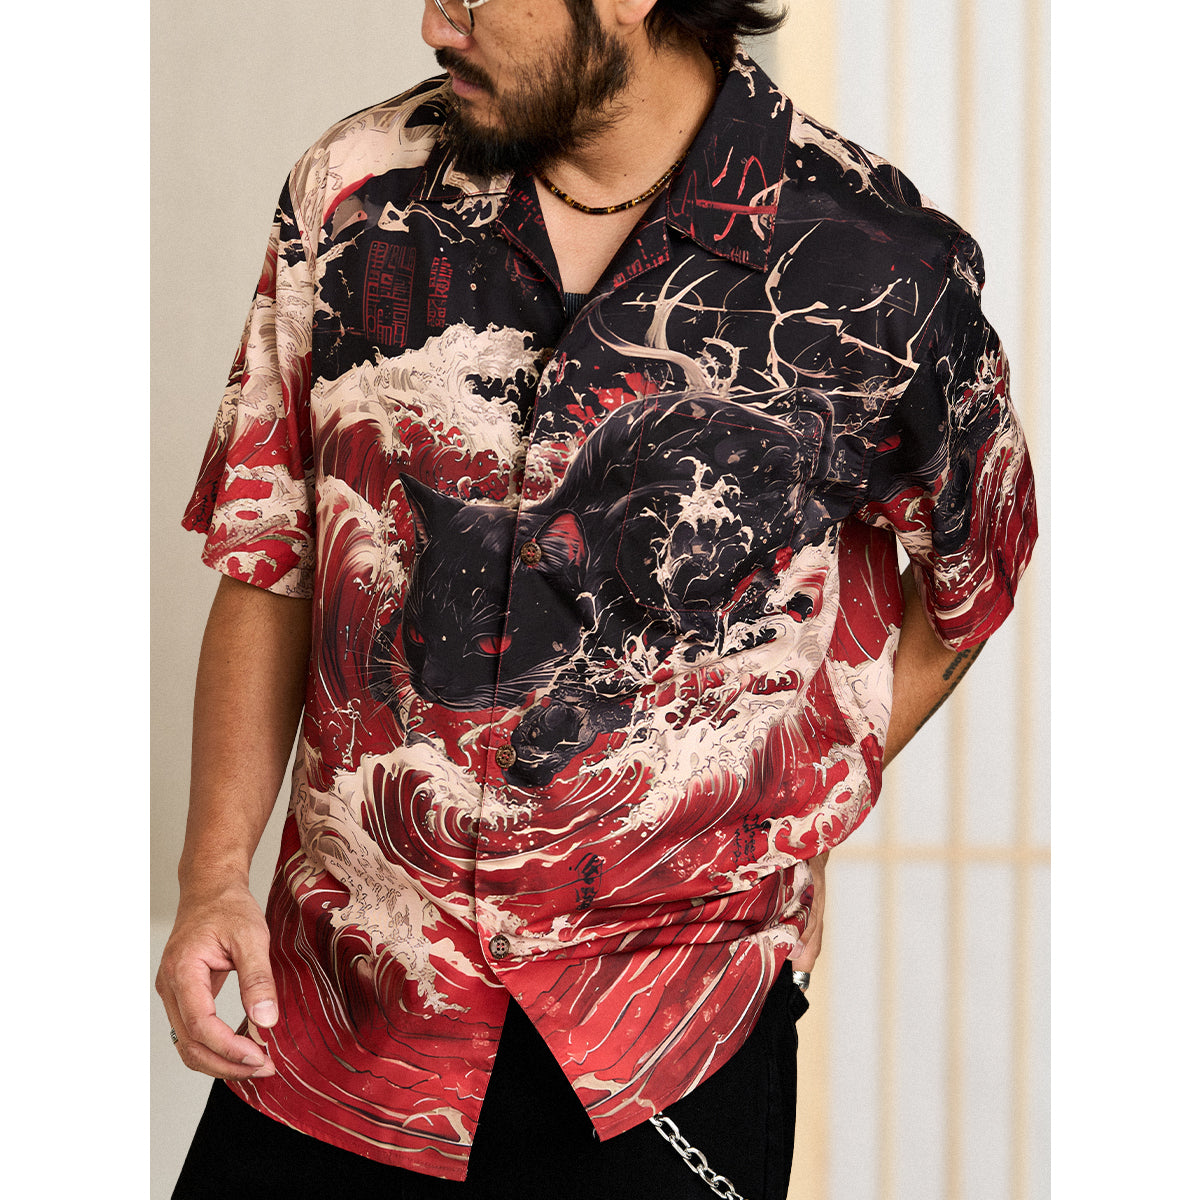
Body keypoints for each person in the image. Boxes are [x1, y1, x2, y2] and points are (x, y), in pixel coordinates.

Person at [156, 1, 1038, 1196]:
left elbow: (976, 568)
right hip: (339, 1022)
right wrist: (213, 873)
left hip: (662, 1048)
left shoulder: (879, 265)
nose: (435, 21)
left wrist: (789, 794)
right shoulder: (355, 199)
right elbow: (275, 548)